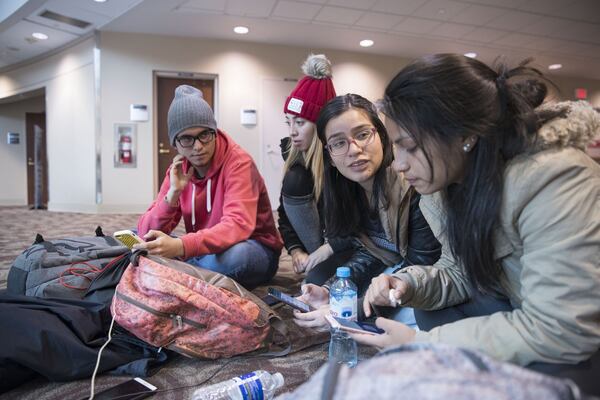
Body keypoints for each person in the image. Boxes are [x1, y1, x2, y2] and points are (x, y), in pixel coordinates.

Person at [352, 54, 600, 394]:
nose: (398, 164)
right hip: (520, 304)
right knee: (431, 311)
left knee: (554, 378)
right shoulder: (447, 185)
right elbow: (459, 273)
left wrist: (426, 345)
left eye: (408, 146)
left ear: (464, 135)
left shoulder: (554, 177)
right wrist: (406, 282)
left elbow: (564, 328)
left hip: (578, 335)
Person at [293, 93, 441, 329]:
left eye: (362, 135)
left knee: (411, 318)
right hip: (395, 267)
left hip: (427, 273)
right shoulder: (349, 192)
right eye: (339, 142)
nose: (354, 149)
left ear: (382, 137)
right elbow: (372, 252)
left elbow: (422, 264)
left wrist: (353, 310)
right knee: (322, 282)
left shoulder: (412, 185)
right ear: (330, 156)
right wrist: (331, 290)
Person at [136, 85, 283, 289]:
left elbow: (237, 225)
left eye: (204, 135)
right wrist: (172, 195)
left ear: (213, 132)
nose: (198, 146)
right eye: (187, 138)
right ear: (175, 144)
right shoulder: (178, 169)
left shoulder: (239, 163)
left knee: (238, 257)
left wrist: (180, 246)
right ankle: (186, 269)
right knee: (142, 237)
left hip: (254, 249)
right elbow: (145, 231)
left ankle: (176, 270)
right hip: (208, 250)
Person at [278, 54, 354, 285]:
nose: (292, 131)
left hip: (349, 247)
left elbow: (362, 225)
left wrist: (329, 249)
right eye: (288, 122)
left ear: (321, 126)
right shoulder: (296, 167)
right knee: (314, 283)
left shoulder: (346, 163)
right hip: (319, 250)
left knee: (322, 285)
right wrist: (296, 250)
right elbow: (284, 217)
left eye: (300, 123)